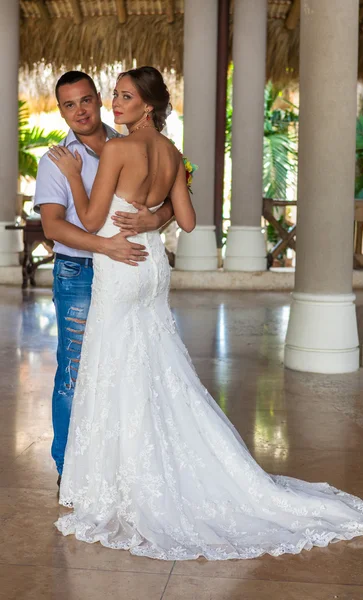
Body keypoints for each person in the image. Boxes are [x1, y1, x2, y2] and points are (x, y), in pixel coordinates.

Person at [51, 67, 363, 561]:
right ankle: (150, 466)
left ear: (148, 106)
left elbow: (94, 220)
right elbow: (187, 220)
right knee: (153, 365)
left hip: (120, 266)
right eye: (114, 96)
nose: (114, 105)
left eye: (123, 97)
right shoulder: (173, 154)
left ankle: (120, 481)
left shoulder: (117, 150)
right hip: (154, 268)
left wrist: (77, 178)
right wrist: (150, 216)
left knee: (113, 365)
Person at [34, 71, 174, 486]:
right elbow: (54, 228)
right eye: (68, 105)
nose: (79, 111)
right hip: (79, 271)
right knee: (76, 371)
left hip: (126, 272)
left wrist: (156, 217)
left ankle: (118, 468)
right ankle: (68, 471)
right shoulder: (56, 161)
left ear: (99, 99)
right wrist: (104, 247)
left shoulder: (131, 142)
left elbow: (179, 196)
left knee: (125, 368)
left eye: (86, 100)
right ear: (61, 111)